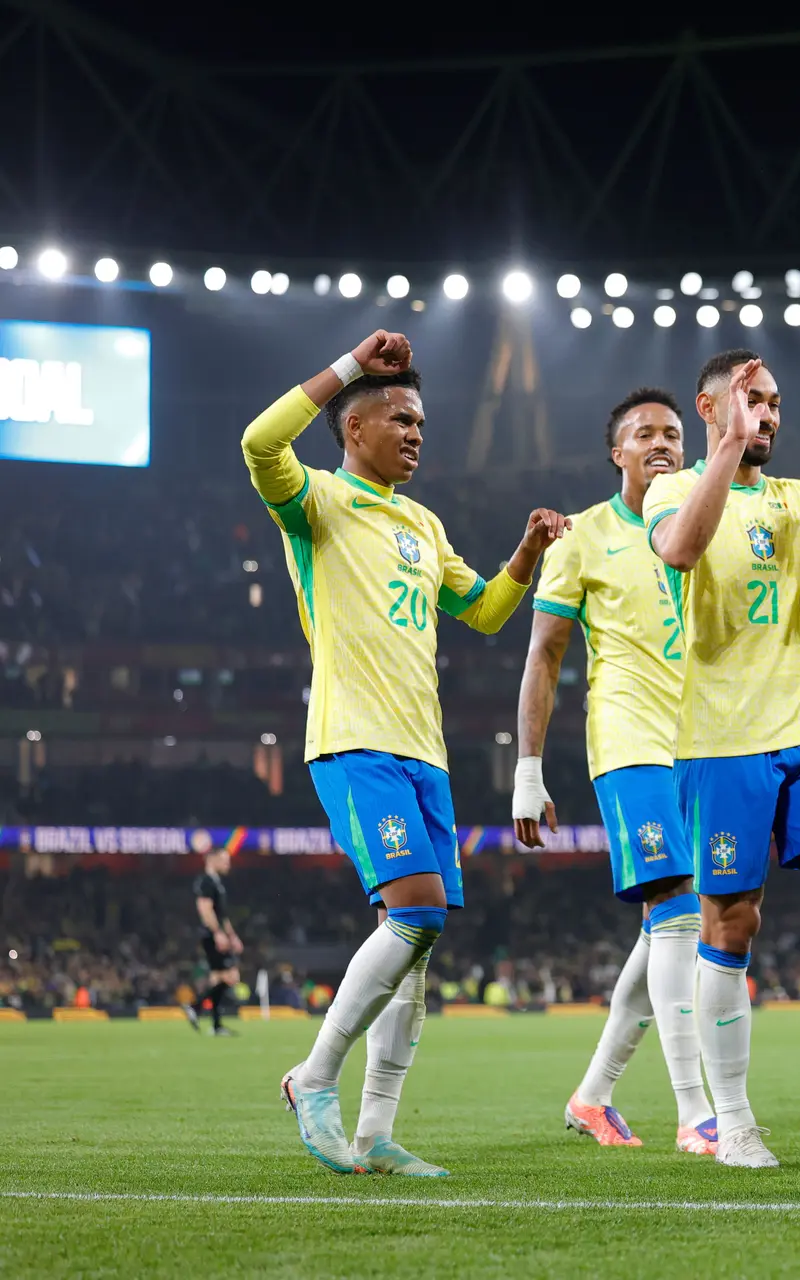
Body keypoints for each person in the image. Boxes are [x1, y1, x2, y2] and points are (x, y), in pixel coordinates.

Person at [246, 329, 567, 1177]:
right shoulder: (314, 503)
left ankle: (376, 1133)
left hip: (425, 754)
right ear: (355, 428)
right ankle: (314, 1078)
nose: (418, 433)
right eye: (401, 419)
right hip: (354, 740)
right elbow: (258, 440)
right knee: (416, 913)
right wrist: (351, 365)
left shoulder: (424, 523)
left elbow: (487, 612)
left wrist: (528, 553)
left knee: (415, 943)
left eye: (422, 422)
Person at [643, 349, 800, 1169]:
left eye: (777, 403)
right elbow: (681, 551)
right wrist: (724, 446)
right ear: (711, 405)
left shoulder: (798, 498)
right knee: (731, 922)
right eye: (754, 400)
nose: (770, 415)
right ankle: (733, 1120)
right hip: (719, 742)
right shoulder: (673, 488)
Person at [512, 387, 720, 1155]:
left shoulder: (702, 520)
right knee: (679, 914)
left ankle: (593, 1095)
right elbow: (545, 654)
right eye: (643, 434)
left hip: (703, 740)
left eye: (672, 432)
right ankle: (696, 1111)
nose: (661, 442)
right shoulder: (580, 537)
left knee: (665, 926)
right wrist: (527, 769)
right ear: (617, 452)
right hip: (630, 741)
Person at [184, 849, 241, 1037]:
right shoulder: (206, 881)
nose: (228, 864)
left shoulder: (216, 882)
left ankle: (216, 1025)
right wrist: (217, 934)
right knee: (232, 977)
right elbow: (205, 909)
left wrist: (232, 936)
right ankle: (195, 1006)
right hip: (210, 935)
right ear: (212, 860)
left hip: (217, 934)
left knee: (218, 978)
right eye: (224, 860)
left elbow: (222, 915)